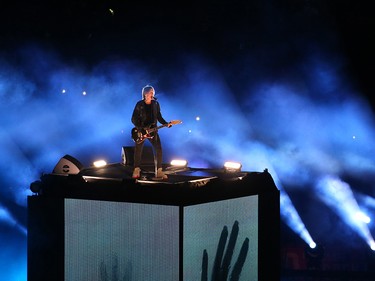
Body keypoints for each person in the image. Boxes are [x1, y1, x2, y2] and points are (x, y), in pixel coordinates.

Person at [131, 85, 172, 179]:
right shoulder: (139, 104)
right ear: (145, 94)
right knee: (138, 150)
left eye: (153, 92)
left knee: (158, 149)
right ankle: (136, 169)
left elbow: (159, 117)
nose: (152, 94)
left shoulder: (156, 104)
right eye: (151, 92)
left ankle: (159, 171)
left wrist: (166, 123)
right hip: (141, 131)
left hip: (153, 131)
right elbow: (133, 119)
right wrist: (141, 128)